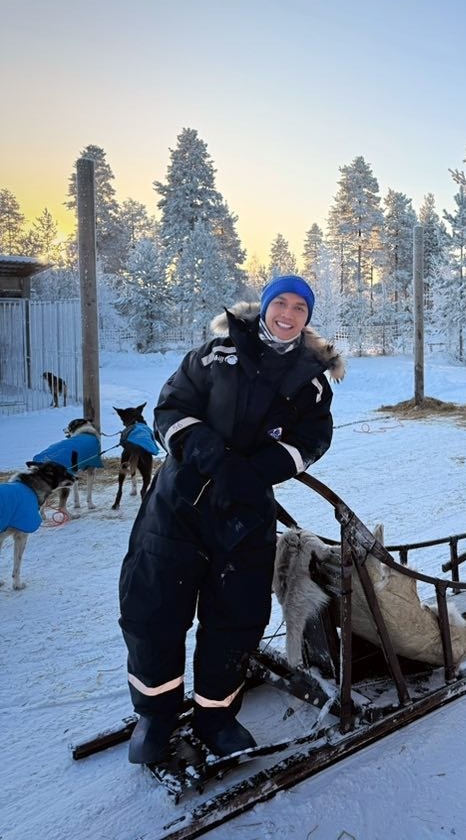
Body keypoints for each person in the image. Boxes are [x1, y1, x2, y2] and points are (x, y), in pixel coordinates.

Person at [118, 275, 345, 764]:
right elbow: (171, 407)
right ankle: (155, 715)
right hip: (179, 503)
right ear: (263, 307)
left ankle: (216, 716)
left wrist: (255, 472)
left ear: (308, 318)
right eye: (279, 302)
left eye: (299, 307)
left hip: (245, 514)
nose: (288, 313)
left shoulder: (312, 381)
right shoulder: (213, 353)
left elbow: (313, 441)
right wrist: (208, 452)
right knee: (153, 611)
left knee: (235, 619)